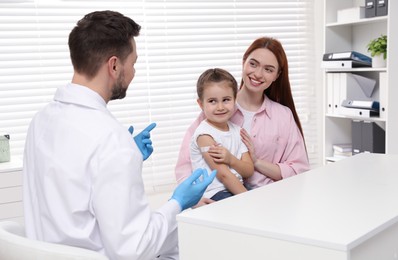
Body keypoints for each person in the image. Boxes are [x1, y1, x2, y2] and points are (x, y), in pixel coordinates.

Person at [22, 10, 216, 260]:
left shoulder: (41, 120)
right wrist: (179, 202)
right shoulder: (112, 139)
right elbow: (134, 251)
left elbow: (69, 180)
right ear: (114, 65)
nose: (134, 72)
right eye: (133, 63)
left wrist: (125, 159)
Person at [175, 37, 310, 205]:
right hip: (220, 201)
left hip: (270, 202)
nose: (258, 74)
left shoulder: (283, 116)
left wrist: (257, 162)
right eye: (253, 64)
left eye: (268, 69)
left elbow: (299, 171)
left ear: (277, 75)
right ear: (244, 61)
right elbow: (185, 165)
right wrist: (194, 200)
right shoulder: (216, 111)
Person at [190, 68, 254, 201]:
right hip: (215, 194)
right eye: (212, 101)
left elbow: (248, 170)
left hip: (237, 188)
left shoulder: (237, 131)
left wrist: (231, 159)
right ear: (201, 104)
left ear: (235, 99)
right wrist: (250, 199)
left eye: (226, 100)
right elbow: (223, 175)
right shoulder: (204, 135)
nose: (220, 107)